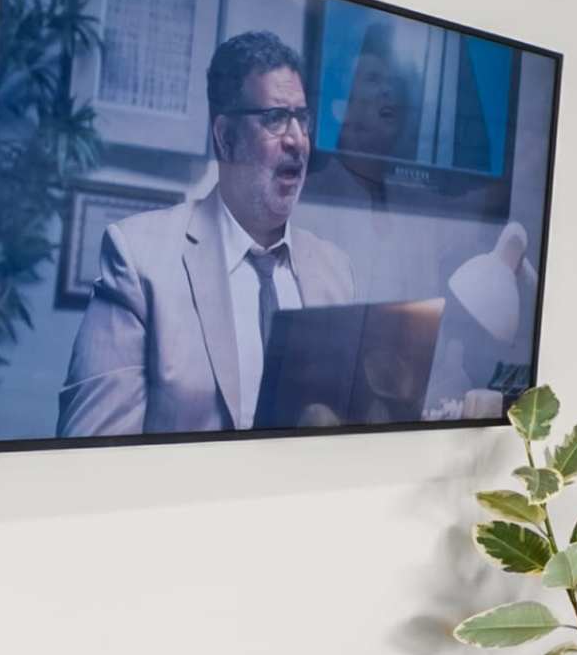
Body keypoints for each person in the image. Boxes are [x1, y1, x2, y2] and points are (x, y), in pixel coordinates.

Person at [58, 30, 357, 436]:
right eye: (274, 118)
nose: (297, 140)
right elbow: (91, 450)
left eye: (302, 118)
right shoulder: (139, 259)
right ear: (225, 137)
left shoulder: (334, 270)